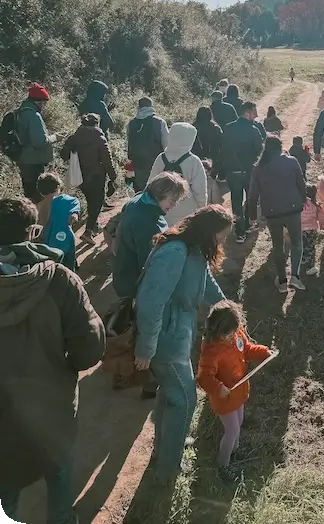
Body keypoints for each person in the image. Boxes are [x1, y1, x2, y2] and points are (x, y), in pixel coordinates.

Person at [0, 197, 105, 523]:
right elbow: (90, 349)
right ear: (33, 232)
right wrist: (62, 366)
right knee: (58, 471)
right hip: (52, 408)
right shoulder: (60, 280)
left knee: (4, 496)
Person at [134, 206, 230, 485]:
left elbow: (205, 281)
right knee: (186, 399)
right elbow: (151, 302)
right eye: (221, 237)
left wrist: (226, 307)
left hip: (177, 334)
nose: (222, 243)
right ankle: (167, 472)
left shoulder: (194, 249)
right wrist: (146, 348)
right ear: (208, 231)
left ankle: (165, 450)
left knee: (171, 393)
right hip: (164, 338)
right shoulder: (175, 252)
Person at [197, 301, 272, 483]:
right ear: (216, 330)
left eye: (234, 331)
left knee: (238, 422)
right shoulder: (211, 350)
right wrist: (217, 387)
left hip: (238, 392)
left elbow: (246, 349)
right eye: (227, 334)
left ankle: (235, 450)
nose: (232, 336)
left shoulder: (236, 334)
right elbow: (204, 377)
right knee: (231, 429)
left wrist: (263, 352)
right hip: (224, 398)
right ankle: (223, 465)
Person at [113, 172, 189, 301]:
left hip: (122, 274)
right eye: (172, 201)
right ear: (159, 194)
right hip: (135, 285)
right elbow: (150, 264)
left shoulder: (138, 200)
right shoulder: (149, 224)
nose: (174, 205)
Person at [248, 136, 306, 292]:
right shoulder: (292, 161)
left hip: (272, 213)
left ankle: (281, 281)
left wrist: (252, 215)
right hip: (293, 208)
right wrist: (303, 200)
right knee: (296, 243)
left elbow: (252, 195)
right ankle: (295, 276)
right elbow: (301, 184)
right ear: (281, 147)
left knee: (277, 246)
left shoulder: (258, 168)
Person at [60, 113, 117, 246]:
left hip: (80, 176)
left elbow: (63, 155)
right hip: (96, 176)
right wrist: (113, 178)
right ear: (97, 123)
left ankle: (94, 225)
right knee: (96, 203)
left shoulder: (74, 137)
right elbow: (107, 160)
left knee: (90, 200)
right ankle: (88, 232)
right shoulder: (99, 138)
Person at [148, 123, 207, 226]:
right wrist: (202, 208)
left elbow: (150, 184)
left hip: (163, 211)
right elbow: (200, 190)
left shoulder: (161, 158)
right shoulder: (193, 161)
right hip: (187, 213)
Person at [222, 102, 263, 243]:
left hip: (232, 171)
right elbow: (260, 151)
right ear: (247, 113)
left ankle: (239, 232)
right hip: (249, 171)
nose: (256, 115)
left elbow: (222, 149)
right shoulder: (254, 130)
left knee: (236, 201)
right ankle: (247, 226)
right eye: (254, 112)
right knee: (250, 199)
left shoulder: (227, 128)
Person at [15, 82, 56, 201]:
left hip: (23, 159)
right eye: (43, 103)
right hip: (34, 162)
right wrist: (55, 137)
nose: (44, 106)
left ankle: (28, 217)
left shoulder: (20, 111)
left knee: (28, 192)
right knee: (38, 196)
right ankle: (37, 218)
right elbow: (40, 142)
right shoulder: (34, 115)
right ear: (39, 101)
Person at [38, 174, 81, 272]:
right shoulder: (67, 200)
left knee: (53, 266)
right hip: (65, 238)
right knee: (69, 265)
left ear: (40, 191)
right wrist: (74, 216)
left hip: (47, 242)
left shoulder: (40, 205)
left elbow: (39, 226)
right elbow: (74, 212)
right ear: (58, 186)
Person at [127, 96, 169, 192]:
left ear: (139, 107)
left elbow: (129, 142)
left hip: (137, 162)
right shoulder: (160, 122)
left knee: (139, 190)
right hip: (156, 161)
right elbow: (166, 144)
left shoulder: (131, 123)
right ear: (151, 106)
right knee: (155, 190)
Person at [301, 184, 324, 276]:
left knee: (301, 247)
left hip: (300, 230)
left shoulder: (298, 204)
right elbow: (322, 217)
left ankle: (301, 262)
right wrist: (323, 226)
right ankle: (310, 267)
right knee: (310, 248)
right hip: (311, 231)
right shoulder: (315, 206)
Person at [192, 106, 223, 175]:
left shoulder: (194, 126)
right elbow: (221, 143)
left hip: (197, 157)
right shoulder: (215, 127)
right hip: (213, 157)